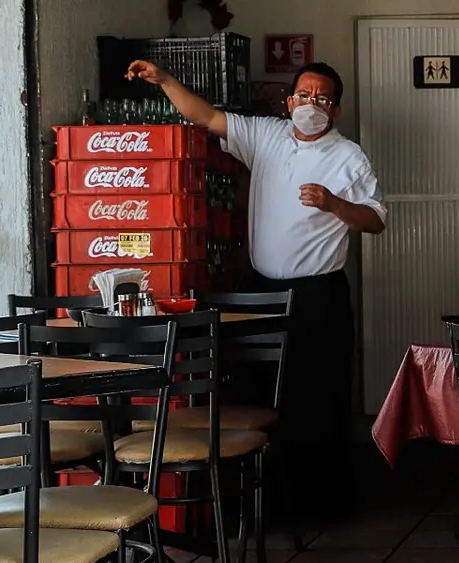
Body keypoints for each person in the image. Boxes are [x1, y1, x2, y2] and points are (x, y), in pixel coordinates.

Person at [125, 59, 387, 521]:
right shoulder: (265, 136)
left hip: (317, 295)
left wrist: (334, 203)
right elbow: (204, 117)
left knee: (316, 400)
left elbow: (376, 220)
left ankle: (319, 508)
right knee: (257, 395)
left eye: (322, 98)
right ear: (289, 102)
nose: (311, 104)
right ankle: (260, 511)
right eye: (304, 95)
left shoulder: (348, 156)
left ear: (336, 109)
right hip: (261, 292)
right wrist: (164, 80)